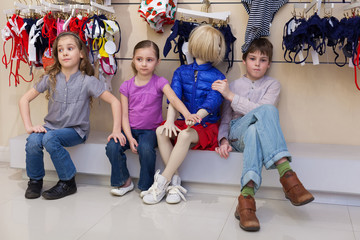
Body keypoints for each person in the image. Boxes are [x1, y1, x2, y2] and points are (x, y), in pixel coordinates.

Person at [211, 38, 314, 232]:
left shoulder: (273, 85)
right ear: (244, 61)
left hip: (252, 133)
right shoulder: (231, 85)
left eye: (263, 60)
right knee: (266, 112)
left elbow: (260, 112)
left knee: (259, 122)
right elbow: (225, 118)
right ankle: (287, 175)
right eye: (252, 58)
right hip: (236, 133)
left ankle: (246, 198)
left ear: (269, 64)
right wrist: (223, 140)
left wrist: (231, 97)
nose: (257, 63)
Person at [19, 31, 125, 200]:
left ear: (82, 53)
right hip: (51, 127)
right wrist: (29, 126)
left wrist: (117, 130)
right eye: (60, 50)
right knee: (32, 140)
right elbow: (24, 99)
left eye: (70, 48)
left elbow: (115, 102)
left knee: (50, 139)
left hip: (76, 131)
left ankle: (68, 181)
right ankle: (35, 181)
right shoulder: (50, 78)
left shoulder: (88, 81)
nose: (65, 53)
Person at [141, 25, 226, 205]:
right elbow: (174, 98)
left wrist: (196, 117)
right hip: (185, 121)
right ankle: (174, 182)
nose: (219, 49)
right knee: (161, 131)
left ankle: (162, 181)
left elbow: (213, 102)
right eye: (217, 45)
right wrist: (170, 121)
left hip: (205, 126)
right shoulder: (181, 72)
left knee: (186, 134)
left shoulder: (218, 76)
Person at [105, 40, 200, 197]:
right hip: (129, 129)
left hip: (150, 131)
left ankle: (146, 186)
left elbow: (174, 99)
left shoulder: (160, 82)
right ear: (133, 60)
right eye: (139, 59)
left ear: (157, 62)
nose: (144, 64)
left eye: (149, 60)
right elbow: (124, 115)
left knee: (146, 149)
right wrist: (128, 137)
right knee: (112, 146)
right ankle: (124, 181)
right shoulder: (126, 86)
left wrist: (187, 114)